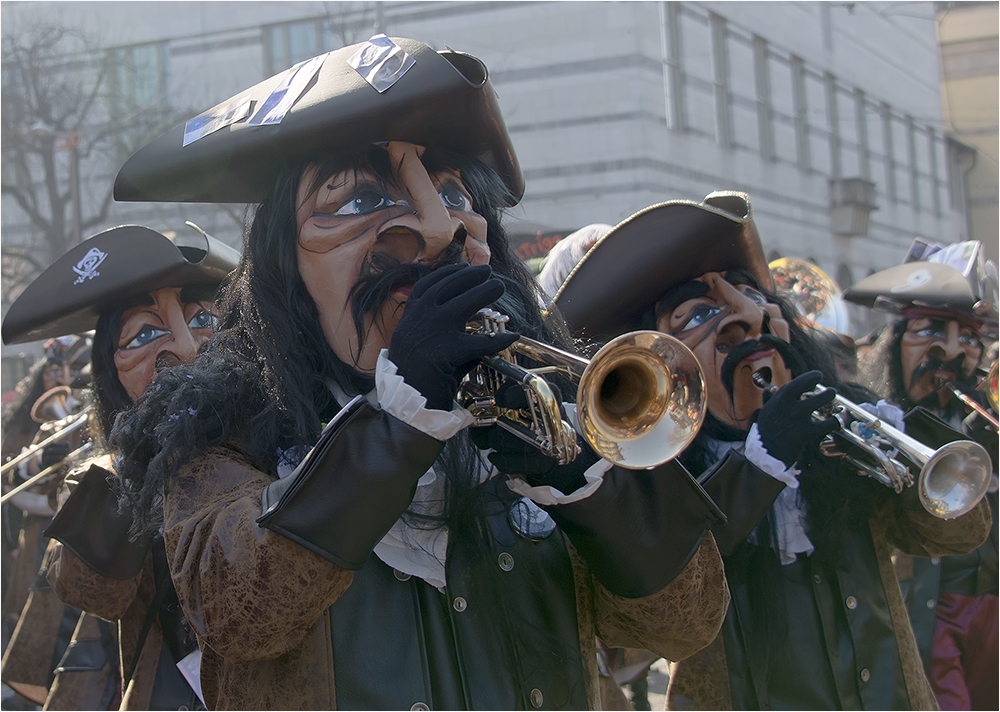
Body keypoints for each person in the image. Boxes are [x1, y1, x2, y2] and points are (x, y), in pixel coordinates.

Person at [109, 36, 730, 710]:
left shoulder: (549, 416)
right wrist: (396, 428)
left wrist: (583, 481)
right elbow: (240, 614)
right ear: (287, 270)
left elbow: (684, 625)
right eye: (353, 203)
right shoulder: (222, 441)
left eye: (454, 195)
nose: (436, 228)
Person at [551, 191, 992, 710]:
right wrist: (762, 462)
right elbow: (659, 619)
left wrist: (895, 425)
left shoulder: (835, 436)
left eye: (752, 296)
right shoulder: (656, 480)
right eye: (698, 314)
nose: (746, 319)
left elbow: (958, 530)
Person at [0, 223, 238, 710]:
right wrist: (133, 462)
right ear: (112, 370)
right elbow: (88, 590)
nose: (185, 348)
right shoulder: (111, 470)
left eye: (201, 320)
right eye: (147, 332)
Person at [844, 253, 998, 711]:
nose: (952, 351)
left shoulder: (980, 417)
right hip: (921, 610)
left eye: (969, 337)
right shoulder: (870, 417)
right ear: (895, 342)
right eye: (931, 330)